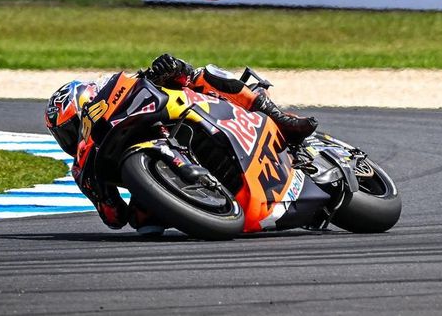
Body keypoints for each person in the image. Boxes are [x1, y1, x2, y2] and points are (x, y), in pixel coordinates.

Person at [44, 54, 317, 231]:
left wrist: (170, 69)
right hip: (158, 180)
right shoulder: (83, 169)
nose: (71, 137)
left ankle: (279, 118)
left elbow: (181, 74)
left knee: (204, 74)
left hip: (195, 114)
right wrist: (99, 193)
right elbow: (115, 218)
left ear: (86, 104)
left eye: (71, 127)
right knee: (144, 226)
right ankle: (208, 204)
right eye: (64, 135)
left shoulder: (128, 92)